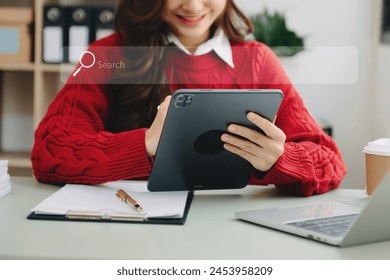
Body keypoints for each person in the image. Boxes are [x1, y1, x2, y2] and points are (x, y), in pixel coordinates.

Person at [31, 0, 347, 196]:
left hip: (231, 235)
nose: (193, 6)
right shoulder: (106, 56)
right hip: (130, 227)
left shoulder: (258, 60)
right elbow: (49, 152)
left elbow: (330, 163)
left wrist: (279, 159)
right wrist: (145, 142)